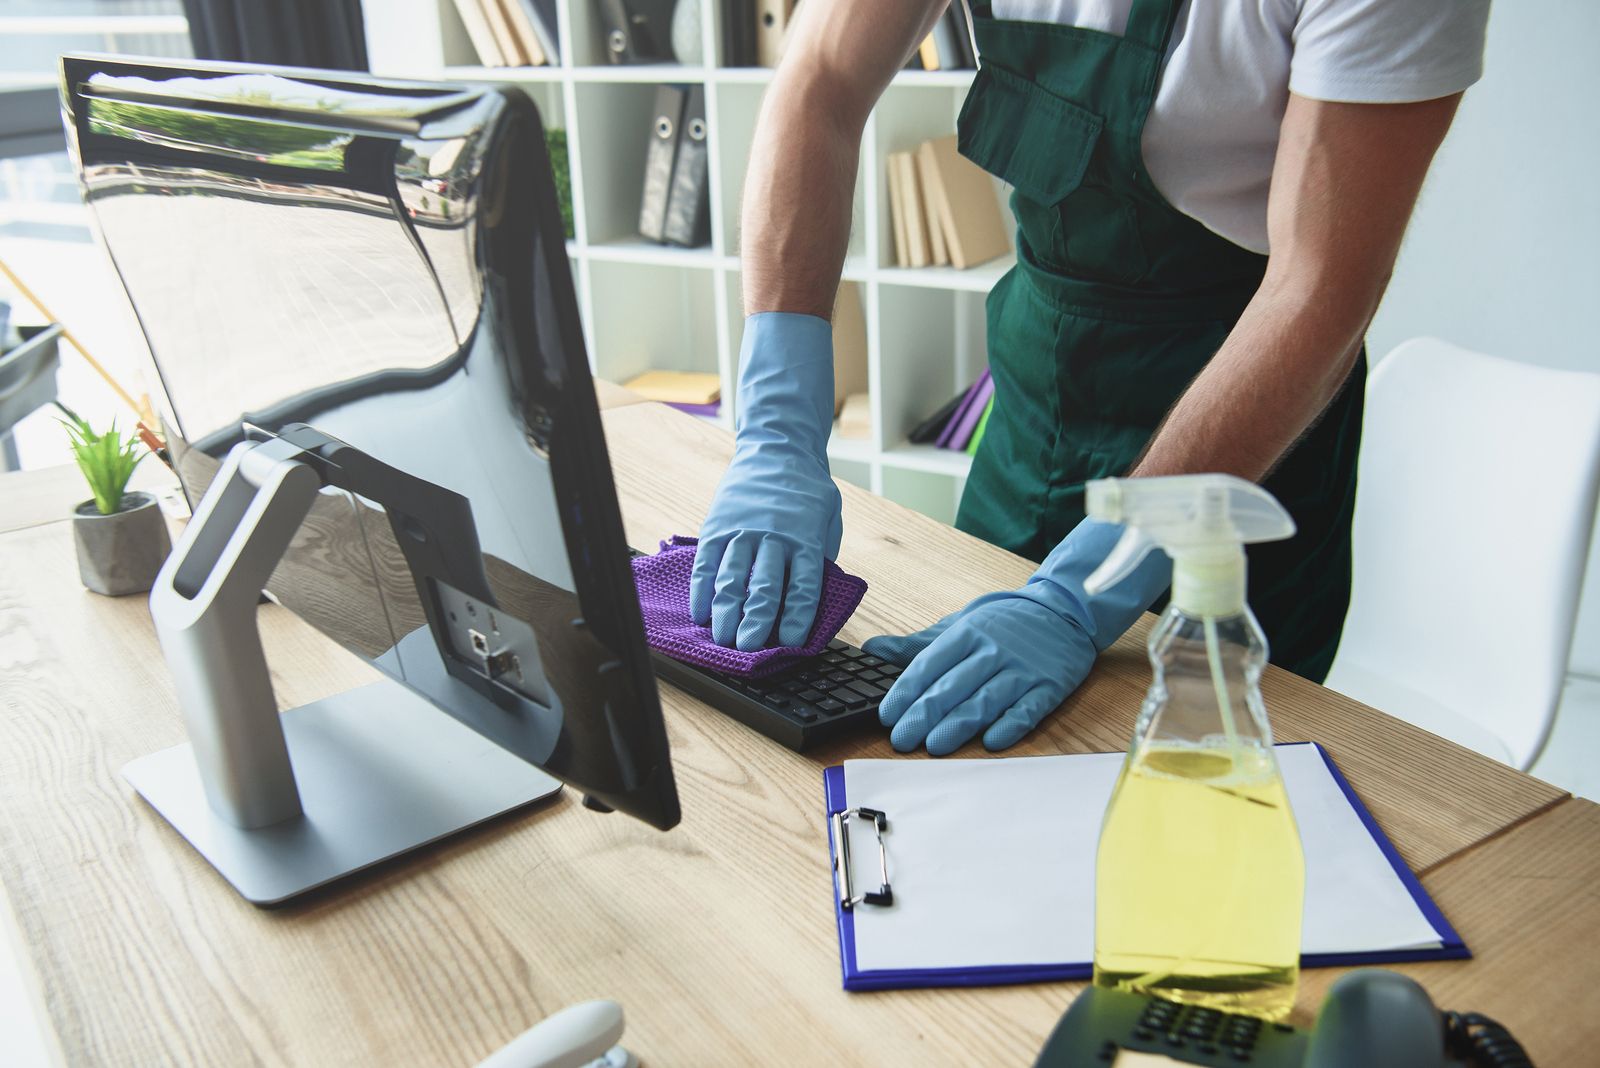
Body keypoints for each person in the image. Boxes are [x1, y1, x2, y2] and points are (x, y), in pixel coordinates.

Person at [691, 0, 1490, 754]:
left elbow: (1320, 289)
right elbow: (819, 80)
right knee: (940, 764)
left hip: (1238, 442)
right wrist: (778, 430)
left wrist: (1090, 587)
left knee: (1189, 805)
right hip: (1035, 401)